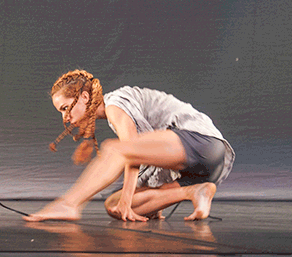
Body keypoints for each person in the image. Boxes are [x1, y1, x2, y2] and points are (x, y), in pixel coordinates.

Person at [24, 69, 234, 222]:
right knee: (113, 204)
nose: (65, 118)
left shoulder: (115, 104)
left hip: (203, 143)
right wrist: (136, 200)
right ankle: (195, 191)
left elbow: (131, 151)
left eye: (65, 108)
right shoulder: (114, 112)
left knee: (114, 148)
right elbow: (142, 153)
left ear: (84, 97)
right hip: (200, 172)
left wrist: (128, 198)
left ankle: (68, 204)